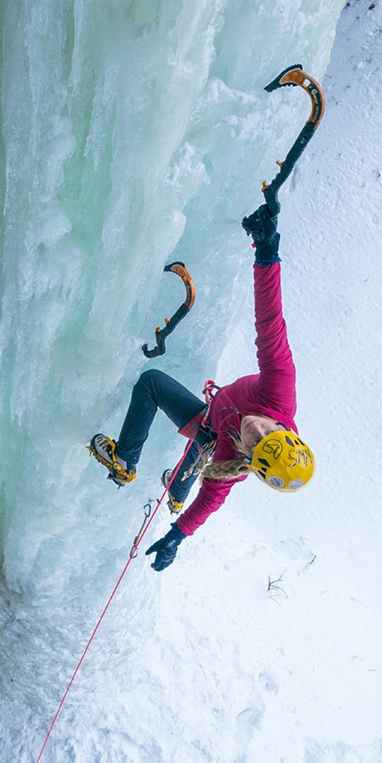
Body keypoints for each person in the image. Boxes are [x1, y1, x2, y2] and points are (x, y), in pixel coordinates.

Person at [89, 201, 314, 572]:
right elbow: (270, 322)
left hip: (210, 428)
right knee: (167, 407)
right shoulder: (278, 389)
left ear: (252, 460)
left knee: (182, 427)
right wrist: (267, 255)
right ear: (284, 428)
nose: (255, 429)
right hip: (209, 422)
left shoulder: (235, 460)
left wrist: (177, 535)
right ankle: (153, 478)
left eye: (256, 444)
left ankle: (137, 469)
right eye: (269, 432)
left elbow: (211, 499)